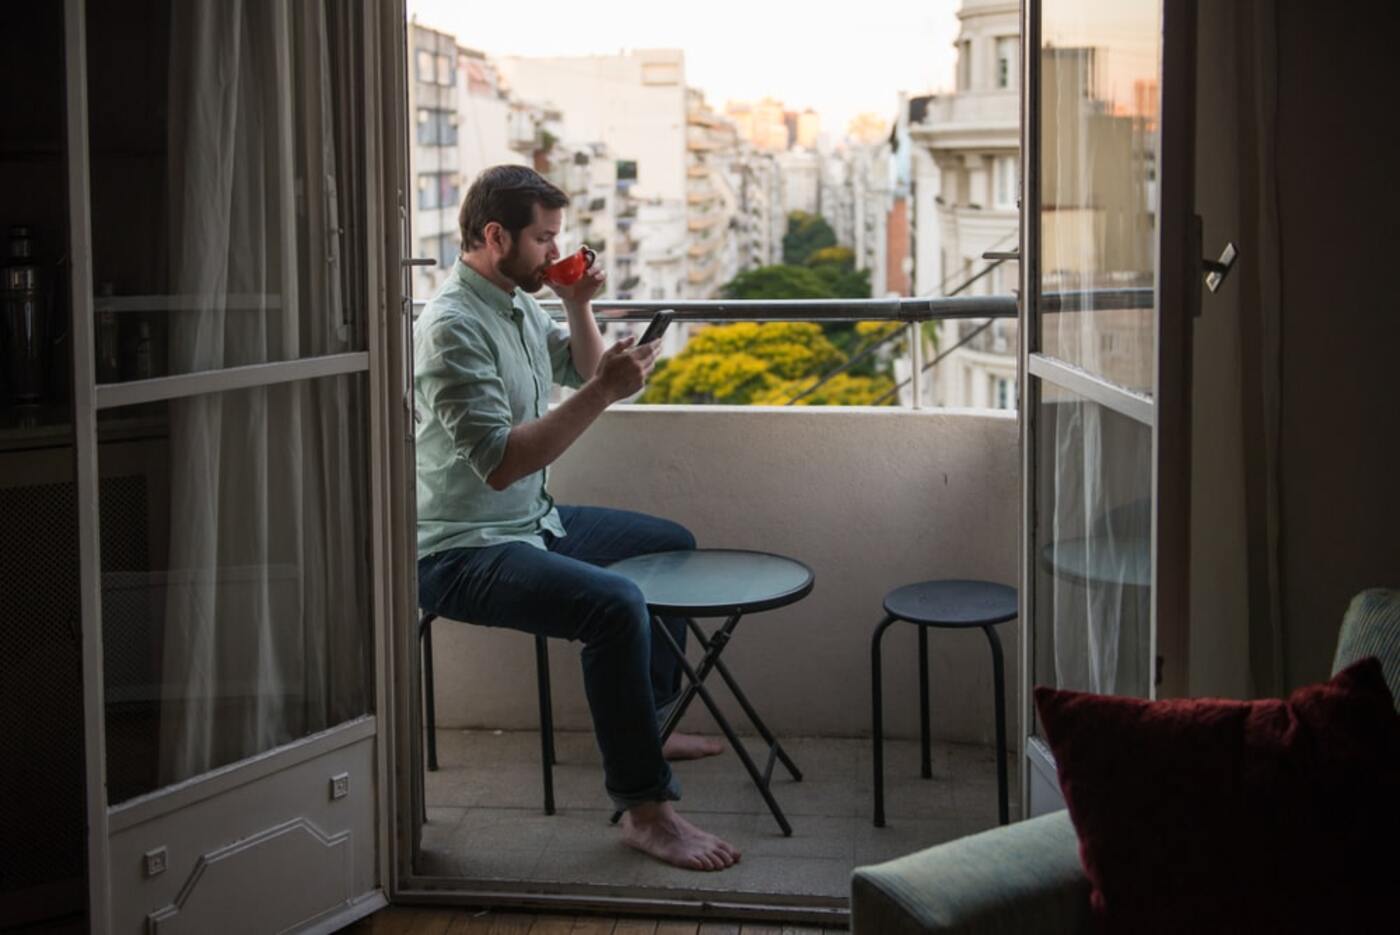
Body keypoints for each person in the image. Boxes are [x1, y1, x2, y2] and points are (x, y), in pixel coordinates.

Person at [414, 165, 739, 871]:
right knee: (618, 603)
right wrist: (604, 392)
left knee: (668, 546)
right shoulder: (451, 328)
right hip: (460, 549)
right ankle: (645, 809)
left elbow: (586, 372)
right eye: (544, 238)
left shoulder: (512, 301)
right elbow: (501, 461)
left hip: (531, 522)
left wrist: (575, 304)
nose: (555, 249)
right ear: (495, 235)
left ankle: (647, 724)